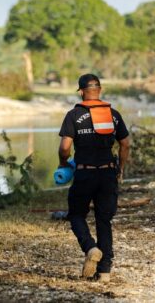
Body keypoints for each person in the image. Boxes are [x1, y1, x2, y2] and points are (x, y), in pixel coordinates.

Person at [58, 73, 130, 283]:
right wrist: (120, 169)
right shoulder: (114, 115)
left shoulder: (74, 115)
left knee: (76, 215)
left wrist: (63, 163)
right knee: (104, 220)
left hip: (84, 173)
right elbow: (125, 144)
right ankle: (105, 272)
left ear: (81, 92)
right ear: (99, 90)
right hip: (108, 172)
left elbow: (64, 148)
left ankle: (90, 248)